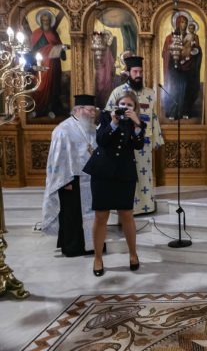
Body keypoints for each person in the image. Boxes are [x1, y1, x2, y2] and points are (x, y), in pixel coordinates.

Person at [84, 92, 146, 276]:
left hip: (124, 174)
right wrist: (113, 122)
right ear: (117, 105)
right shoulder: (106, 117)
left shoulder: (136, 123)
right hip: (102, 173)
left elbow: (138, 145)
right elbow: (101, 140)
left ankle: (133, 254)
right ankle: (98, 258)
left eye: (129, 105)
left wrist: (137, 124)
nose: (125, 107)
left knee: (126, 214)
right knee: (101, 215)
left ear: (134, 108)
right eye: (122, 104)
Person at [105, 56, 164, 215]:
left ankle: (146, 205)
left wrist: (156, 139)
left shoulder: (150, 93)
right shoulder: (118, 92)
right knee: (126, 174)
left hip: (144, 141)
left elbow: (153, 117)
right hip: (123, 142)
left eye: (140, 72)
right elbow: (108, 114)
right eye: (135, 71)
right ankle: (125, 208)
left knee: (144, 174)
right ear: (128, 72)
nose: (138, 75)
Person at [41, 95, 98, 257]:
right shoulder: (63, 130)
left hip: (91, 179)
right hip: (71, 180)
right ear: (78, 110)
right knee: (72, 216)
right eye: (90, 110)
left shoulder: (92, 128)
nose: (93, 114)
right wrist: (62, 181)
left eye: (94, 110)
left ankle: (92, 244)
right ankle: (73, 247)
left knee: (92, 214)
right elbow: (57, 158)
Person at [162, 13, 203, 119]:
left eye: (185, 22)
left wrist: (194, 50)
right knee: (174, 90)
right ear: (177, 23)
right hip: (174, 68)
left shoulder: (193, 36)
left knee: (186, 90)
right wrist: (172, 51)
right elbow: (164, 53)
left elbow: (197, 50)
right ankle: (173, 112)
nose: (183, 25)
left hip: (187, 68)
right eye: (181, 22)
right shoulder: (169, 37)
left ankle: (185, 111)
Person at [29, 9, 69, 118]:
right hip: (41, 64)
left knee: (53, 87)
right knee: (41, 86)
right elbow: (33, 50)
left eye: (47, 20)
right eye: (44, 20)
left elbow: (59, 45)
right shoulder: (36, 33)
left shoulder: (53, 33)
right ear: (41, 21)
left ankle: (51, 109)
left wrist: (62, 49)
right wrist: (49, 48)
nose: (46, 22)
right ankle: (38, 109)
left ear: (50, 21)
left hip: (54, 64)